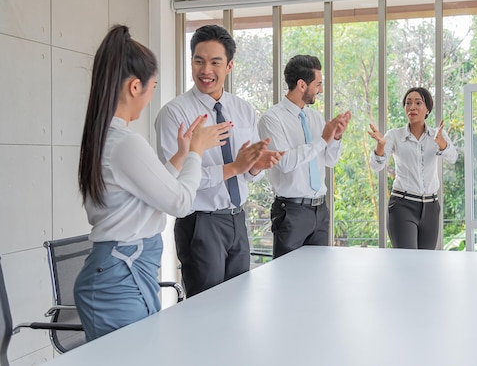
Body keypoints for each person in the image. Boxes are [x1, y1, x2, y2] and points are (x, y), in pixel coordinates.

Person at [75, 25, 232, 341]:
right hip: (120, 275)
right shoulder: (124, 142)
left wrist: (181, 154)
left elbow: (149, 190)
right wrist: (196, 153)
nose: (150, 97)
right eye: (152, 87)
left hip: (123, 271)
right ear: (135, 87)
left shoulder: (108, 137)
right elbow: (179, 202)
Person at [155, 25, 283, 297]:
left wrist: (255, 166)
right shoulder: (174, 114)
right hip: (200, 222)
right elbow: (175, 180)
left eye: (215, 62)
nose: (206, 70)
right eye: (199, 61)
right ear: (191, 62)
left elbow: (245, 173)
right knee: (205, 309)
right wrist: (232, 168)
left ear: (230, 66)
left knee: (238, 304)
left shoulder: (243, 109)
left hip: (238, 219)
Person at [258, 55, 351, 258]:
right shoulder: (272, 119)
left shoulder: (314, 117)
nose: (321, 90)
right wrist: (323, 140)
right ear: (301, 84)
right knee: (288, 278)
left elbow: (329, 161)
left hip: (320, 210)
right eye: (318, 84)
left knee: (318, 276)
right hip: (291, 212)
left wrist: (336, 137)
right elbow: (285, 163)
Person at [368, 87, 457, 250]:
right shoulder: (394, 135)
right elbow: (376, 165)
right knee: (407, 262)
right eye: (408, 103)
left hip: (431, 207)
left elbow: (453, 158)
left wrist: (442, 144)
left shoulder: (437, 135)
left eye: (418, 103)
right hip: (403, 205)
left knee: (426, 262)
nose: (412, 107)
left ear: (427, 109)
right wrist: (380, 146)